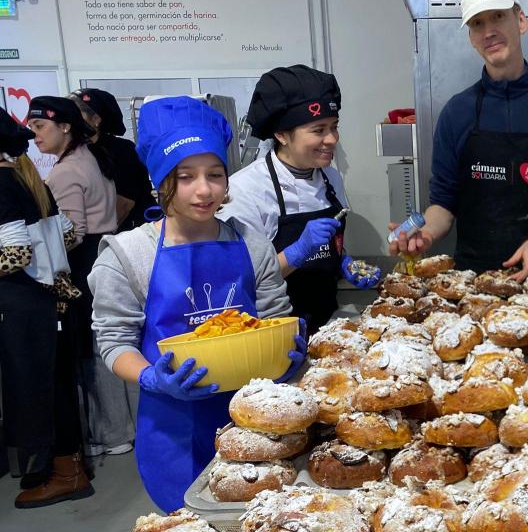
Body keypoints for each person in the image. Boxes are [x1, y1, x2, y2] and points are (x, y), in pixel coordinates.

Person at [88, 96, 302, 512]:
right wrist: (152, 378)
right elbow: (114, 343)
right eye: (185, 177)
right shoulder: (127, 254)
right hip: (174, 428)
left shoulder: (249, 242)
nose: (204, 190)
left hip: (255, 420)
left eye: (215, 175)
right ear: (160, 180)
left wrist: (289, 351)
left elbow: (275, 316)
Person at [389, 0, 528, 279]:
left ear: (521, 20)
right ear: (471, 37)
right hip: (471, 284)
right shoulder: (456, 113)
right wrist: (426, 235)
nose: (488, 32)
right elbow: (443, 205)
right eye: (477, 23)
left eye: (498, 16)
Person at [220, 65, 380, 334]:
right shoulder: (244, 191)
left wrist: (343, 261)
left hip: (327, 320)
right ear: (281, 135)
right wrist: (297, 252)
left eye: (334, 127)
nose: (331, 139)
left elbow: (328, 245)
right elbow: (241, 283)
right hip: (272, 329)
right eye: (318, 130)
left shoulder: (331, 177)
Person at [27, 96, 136, 458]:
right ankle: (123, 427)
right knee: (110, 341)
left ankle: (112, 432)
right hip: (104, 252)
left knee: (94, 350)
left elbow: (71, 232)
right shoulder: (90, 158)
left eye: (40, 126)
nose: (34, 133)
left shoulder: (66, 171)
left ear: (65, 127)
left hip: (84, 262)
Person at [0, 108, 92, 508]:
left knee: (42, 391)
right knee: (55, 388)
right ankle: (62, 467)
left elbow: (14, 254)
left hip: (26, 305)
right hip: (52, 298)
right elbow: (68, 234)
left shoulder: (2, 182)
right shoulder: (28, 177)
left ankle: (66, 474)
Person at [69, 87, 157, 232]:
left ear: (96, 119)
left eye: (77, 114)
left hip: (132, 232)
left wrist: (96, 240)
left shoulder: (122, 150)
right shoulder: (79, 151)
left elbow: (124, 204)